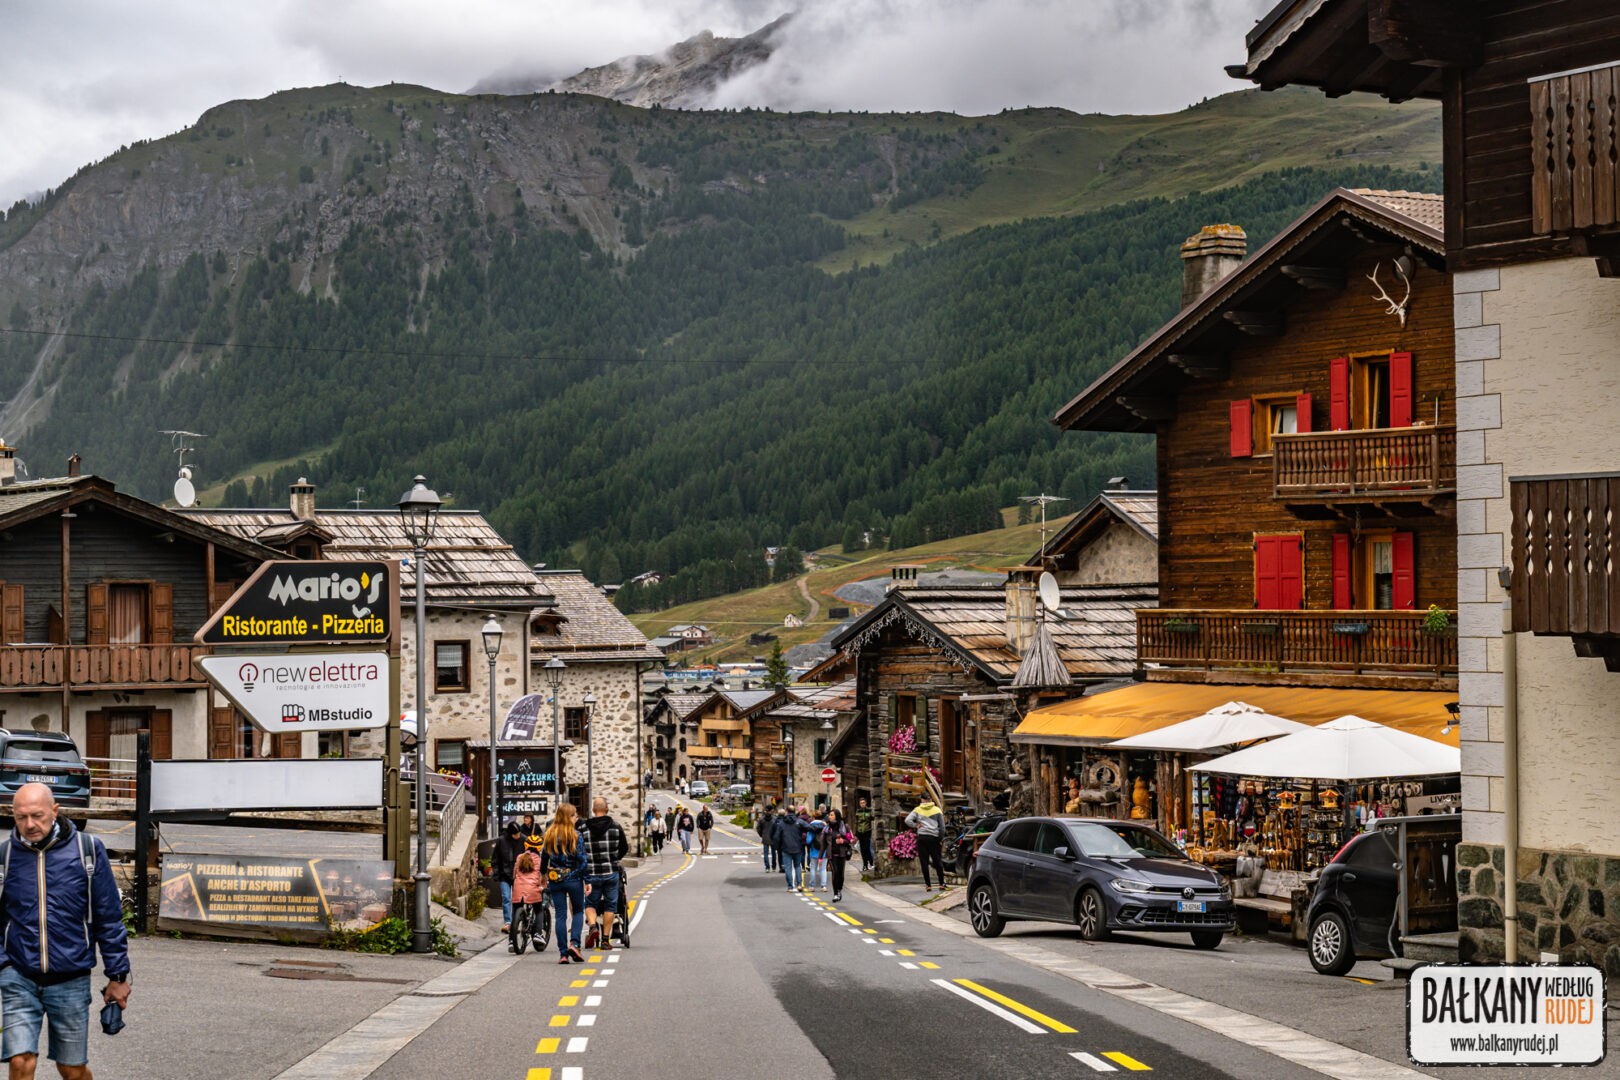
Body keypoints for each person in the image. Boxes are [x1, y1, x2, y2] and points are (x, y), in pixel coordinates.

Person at [0, 783, 129, 1080]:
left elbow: (108, 917)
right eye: (21, 817)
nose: (29, 824)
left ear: (55, 811)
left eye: (37, 815)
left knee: (71, 1069)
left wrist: (118, 975)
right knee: (20, 1061)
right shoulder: (5, 856)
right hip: (18, 975)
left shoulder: (87, 850)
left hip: (71, 978)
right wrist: (4, 965)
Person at [539, 803, 588, 964]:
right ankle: (575, 944)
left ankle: (563, 953)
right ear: (568, 817)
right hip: (574, 879)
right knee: (578, 911)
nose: (576, 818)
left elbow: (544, 858)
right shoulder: (576, 835)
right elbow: (582, 860)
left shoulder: (550, 834)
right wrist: (587, 880)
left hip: (555, 879)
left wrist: (543, 874)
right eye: (574, 815)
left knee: (560, 915)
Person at [580, 798, 629, 949]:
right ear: (607, 809)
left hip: (592, 873)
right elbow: (624, 848)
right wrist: (614, 859)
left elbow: (579, 850)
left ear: (593, 810)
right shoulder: (616, 826)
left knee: (590, 904)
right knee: (610, 906)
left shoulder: (583, 828)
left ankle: (593, 926)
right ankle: (605, 940)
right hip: (611, 872)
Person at [906, 799, 948, 891]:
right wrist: (940, 839)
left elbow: (907, 820)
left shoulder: (917, 809)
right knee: (938, 861)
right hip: (934, 839)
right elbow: (942, 827)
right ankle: (941, 883)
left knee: (924, 862)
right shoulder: (937, 810)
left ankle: (928, 885)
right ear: (930, 800)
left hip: (922, 839)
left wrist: (916, 825)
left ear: (923, 800)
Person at [492, 820, 526, 931]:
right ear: (510, 833)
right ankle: (508, 922)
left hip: (518, 875)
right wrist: (496, 873)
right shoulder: (501, 840)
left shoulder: (524, 840)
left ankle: (516, 922)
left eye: (519, 833)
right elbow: (495, 858)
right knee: (506, 897)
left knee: (518, 900)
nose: (518, 836)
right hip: (504, 874)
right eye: (516, 834)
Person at [509, 850, 546, 952]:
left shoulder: (519, 857)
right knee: (539, 910)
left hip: (518, 889)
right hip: (532, 889)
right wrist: (544, 886)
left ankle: (511, 940)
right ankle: (538, 934)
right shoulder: (539, 859)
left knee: (515, 911)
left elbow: (514, 874)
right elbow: (542, 875)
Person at [772, 805, 805, 890]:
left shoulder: (782, 823)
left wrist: (776, 847)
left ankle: (790, 886)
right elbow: (809, 828)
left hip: (786, 848)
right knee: (797, 866)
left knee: (788, 867)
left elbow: (776, 836)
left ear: (786, 812)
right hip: (797, 847)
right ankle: (799, 884)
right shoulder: (799, 821)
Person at [826, 808, 854, 902]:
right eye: (829, 815)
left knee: (841, 874)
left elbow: (851, 839)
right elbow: (823, 842)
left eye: (831, 815)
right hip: (832, 854)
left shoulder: (845, 827)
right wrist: (820, 857)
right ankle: (835, 894)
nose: (829, 817)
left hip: (842, 854)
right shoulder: (827, 828)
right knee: (835, 872)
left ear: (836, 816)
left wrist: (842, 841)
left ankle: (839, 890)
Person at [803, 809, 829, 891]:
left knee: (813, 868)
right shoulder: (825, 825)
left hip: (813, 850)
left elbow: (808, 840)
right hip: (823, 850)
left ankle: (812, 886)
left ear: (813, 817)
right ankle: (824, 886)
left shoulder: (811, 826)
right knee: (823, 869)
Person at [854, 797, 875, 873]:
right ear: (860, 804)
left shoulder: (869, 811)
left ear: (866, 803)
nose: (862, 804)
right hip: (860, 832)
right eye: (861, 803)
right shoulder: (858, 811)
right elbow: (856, 823)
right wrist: (855, 834)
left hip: (867, 831)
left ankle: (871, 862)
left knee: (867, 848)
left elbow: (873, 818)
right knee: (862, 849)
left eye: (863, 803)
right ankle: (865, 864)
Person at [755, 804, 777, 872]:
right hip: (773, 837)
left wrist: (761, 835)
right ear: (771, 810)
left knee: (766, 853)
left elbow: (758, 828)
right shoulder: (775, 818)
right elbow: (777, 828)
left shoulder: (761, 819)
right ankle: (773, 866)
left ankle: (767, 867)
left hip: (765, 837)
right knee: (773, 852)